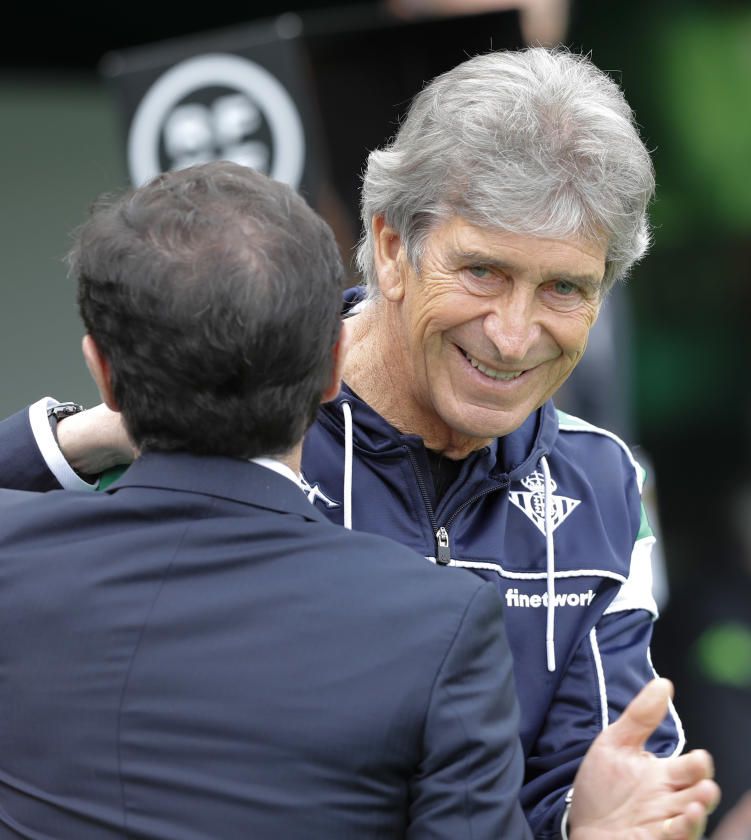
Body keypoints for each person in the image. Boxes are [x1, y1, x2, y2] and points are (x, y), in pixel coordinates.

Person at [0, 50, 721, 838]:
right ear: (388, 247)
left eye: (563, 288)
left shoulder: (602, 479)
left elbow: (588, 778)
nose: (513, 336)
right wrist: (96, 434)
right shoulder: (249, 423)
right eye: (482, 272)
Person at [0, 161, 533, 838]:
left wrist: (72, 438)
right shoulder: (440, 623)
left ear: (103, 372)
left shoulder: (13, 557)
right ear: (335, 366)